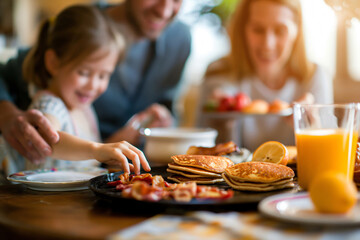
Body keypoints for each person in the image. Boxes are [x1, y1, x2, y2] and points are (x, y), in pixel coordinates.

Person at [0, 0, 191, 165]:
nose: (164, 11)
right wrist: (97, 149)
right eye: (84, 72)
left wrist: (114, 147)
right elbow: (48, 140)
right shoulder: (83, 26)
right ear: (52, 63)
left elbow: (92, 160)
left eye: (103, 75)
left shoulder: (85, 110)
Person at [197, 0, 333, 151]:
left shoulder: (314, 76)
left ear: (297, 31)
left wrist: (313, 129)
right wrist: (224, 124)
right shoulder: (219, 73)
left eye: (280, 31)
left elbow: (328, 155)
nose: (268, 44)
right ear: (243, 30)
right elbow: (200, 152)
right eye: (258, 30)